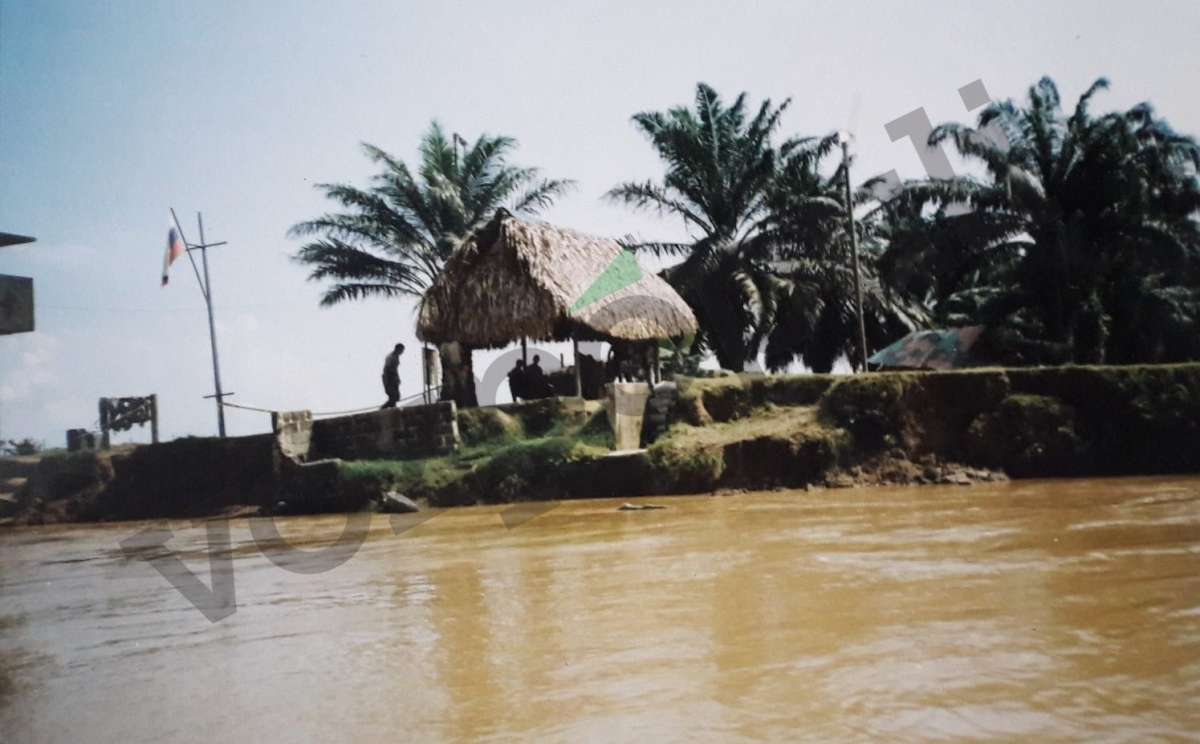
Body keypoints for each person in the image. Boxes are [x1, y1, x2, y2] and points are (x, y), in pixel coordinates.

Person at [380, 343, 405, 408]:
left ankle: (392, 408)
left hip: (393, 378)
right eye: (402, 350)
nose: (402, 352)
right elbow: (388, 369)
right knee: (394, 396)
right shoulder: (391, 357)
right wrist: (391, 379)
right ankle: (383, 408)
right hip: (389, 378)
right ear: (398, 349)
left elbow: (395, 369)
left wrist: (397, 379)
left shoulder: (396, 357)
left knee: (396, 397)